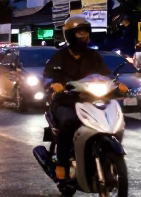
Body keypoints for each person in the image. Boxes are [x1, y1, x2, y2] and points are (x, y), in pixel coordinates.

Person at [43, 16, 122, 182]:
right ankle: (62, 163)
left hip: (89, 100)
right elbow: (48, 76)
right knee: (69, 122)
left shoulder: (93, 56)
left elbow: (105, 75)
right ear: (70, 35)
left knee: (113, 120)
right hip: (66, 101)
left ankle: (104, 154)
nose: (83, 35)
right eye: (79, 32)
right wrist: (55, 84)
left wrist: (117, 85)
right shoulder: (60, 56)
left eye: (85, 32)